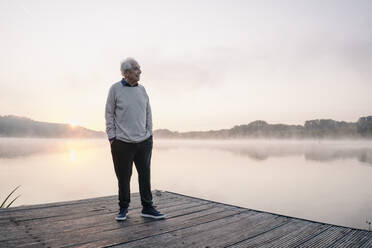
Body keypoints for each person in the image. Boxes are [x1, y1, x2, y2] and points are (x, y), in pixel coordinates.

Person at [105, 57, 165, 221]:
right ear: (127, 72)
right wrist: (112, 137)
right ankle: (123, 208)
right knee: (124, 178)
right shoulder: (115, 89)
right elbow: (109, 114)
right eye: (137, 68)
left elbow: (148, 113)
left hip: (144, 142)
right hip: (122, 143)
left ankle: (147, 207)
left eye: (139, 68)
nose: (140, 71)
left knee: (145, 175)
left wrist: (149, 134)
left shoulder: (142, 90)